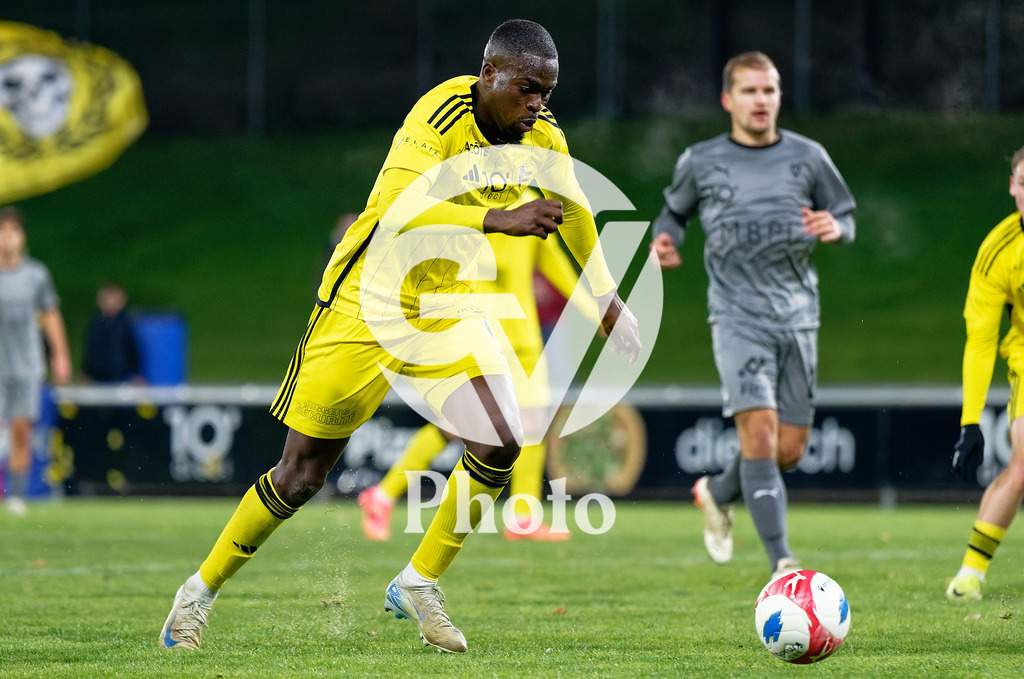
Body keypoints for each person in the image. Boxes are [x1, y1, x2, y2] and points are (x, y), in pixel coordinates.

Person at [160, 19, 640, 654]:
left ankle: (419, 582)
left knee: (502, 439)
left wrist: (606, 299)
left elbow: (575, 205)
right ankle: (195, 596)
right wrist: (501, 217)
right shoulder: (440, 114)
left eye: (546, 93)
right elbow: (398, 211)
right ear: (488, 74)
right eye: (527, 88)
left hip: (446, 308)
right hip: (367, 300)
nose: (537, 104)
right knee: (301, 474)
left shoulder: (541, 137)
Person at [651, 51, 855, 577]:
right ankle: (782, 564)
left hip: (797, 316)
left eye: (769, 90)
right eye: (749, 91)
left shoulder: (809, 157)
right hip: (736, 316)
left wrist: (837, 229)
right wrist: (665, 241)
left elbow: (845, 213)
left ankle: (718, 491)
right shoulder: (701, 160)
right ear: (727, 100)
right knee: (759, 436)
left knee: (788, 449)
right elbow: (674, 211)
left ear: (779, 96)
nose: (761, 100)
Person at [358, 229, 593, 542]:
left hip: (523, 339)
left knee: (534, 420)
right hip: (477, 332)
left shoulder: (530, 207)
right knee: (456, 424)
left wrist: (598, 312)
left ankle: (523, 517)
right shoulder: (473, 203)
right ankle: (383, 495)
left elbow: (557, 266)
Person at [946, 145, 1024, 602]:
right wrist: (970, 421)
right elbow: (979, 340)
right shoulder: (999, 252)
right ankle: (970, 574)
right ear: (1013, 187)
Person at [0, 206, 72, 516]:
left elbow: (51, 314)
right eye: (3, 231)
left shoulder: (36, 274)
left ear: (22, 237)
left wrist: (60, 354)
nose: (8, 238)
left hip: (27, 365)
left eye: (14, 231)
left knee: (20, 431)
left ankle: (15, 496)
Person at [82, 282, 143, 383]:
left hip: (120, 376)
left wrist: (136, 374)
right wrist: (85, 371)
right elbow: (90, 350)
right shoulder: (95, 323)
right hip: (97, 377)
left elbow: (132, 349)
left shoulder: (125, 323)